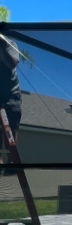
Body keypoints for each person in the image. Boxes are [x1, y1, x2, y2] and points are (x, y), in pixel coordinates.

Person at [0, 34, 21, 167]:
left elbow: (12, 64)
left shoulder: (9, 43)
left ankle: (12, 160)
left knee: (10, 127)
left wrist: (1, 46)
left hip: (10, 94)